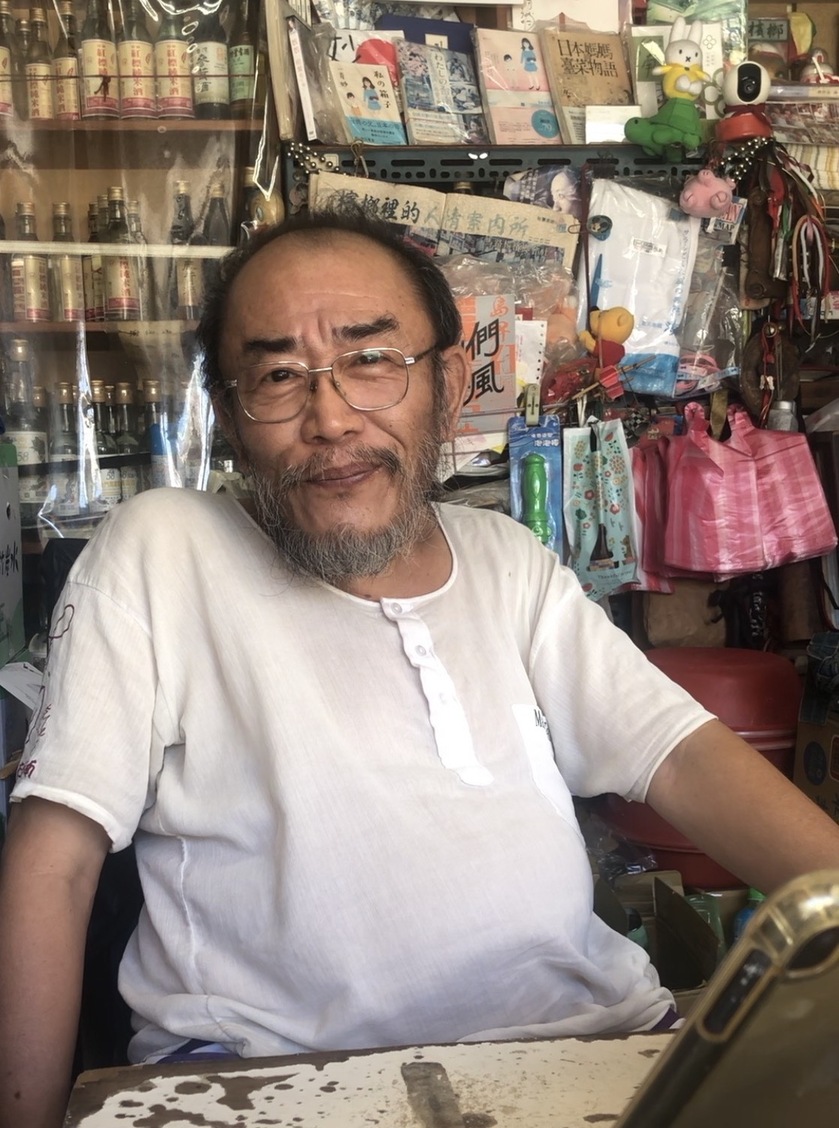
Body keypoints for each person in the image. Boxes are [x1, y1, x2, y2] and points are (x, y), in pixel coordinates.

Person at [1, 209, 839, 1128]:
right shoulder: (162, 551)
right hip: (271, 1078)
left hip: (587, 1048)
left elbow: (679, 757)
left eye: (370, 360)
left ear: (443, 385)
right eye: (278, 376)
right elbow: (55, 862)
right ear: (231, 418)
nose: (329, 419)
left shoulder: (505, 561)